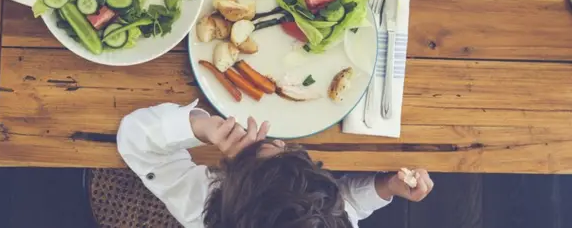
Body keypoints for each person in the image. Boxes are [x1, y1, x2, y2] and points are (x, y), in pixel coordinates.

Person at [117, 101, 435, 227]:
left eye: (263, 154)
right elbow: (349, 204)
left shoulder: (204, 209)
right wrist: (385, 187)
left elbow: (135, 141)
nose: (280, 141)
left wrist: (204, 127)